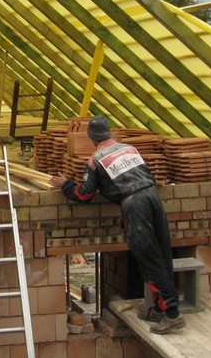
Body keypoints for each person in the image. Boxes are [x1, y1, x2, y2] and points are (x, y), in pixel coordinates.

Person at [50, 115, 185, 334]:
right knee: (162, 254)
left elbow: (84, 195)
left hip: (135, 205)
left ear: (92, 138)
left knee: (149, 259)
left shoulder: (96, 160)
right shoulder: (129, 149)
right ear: (109, 132)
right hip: (152, 197)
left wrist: (66, 184)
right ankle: (161, 308)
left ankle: (172, 315)